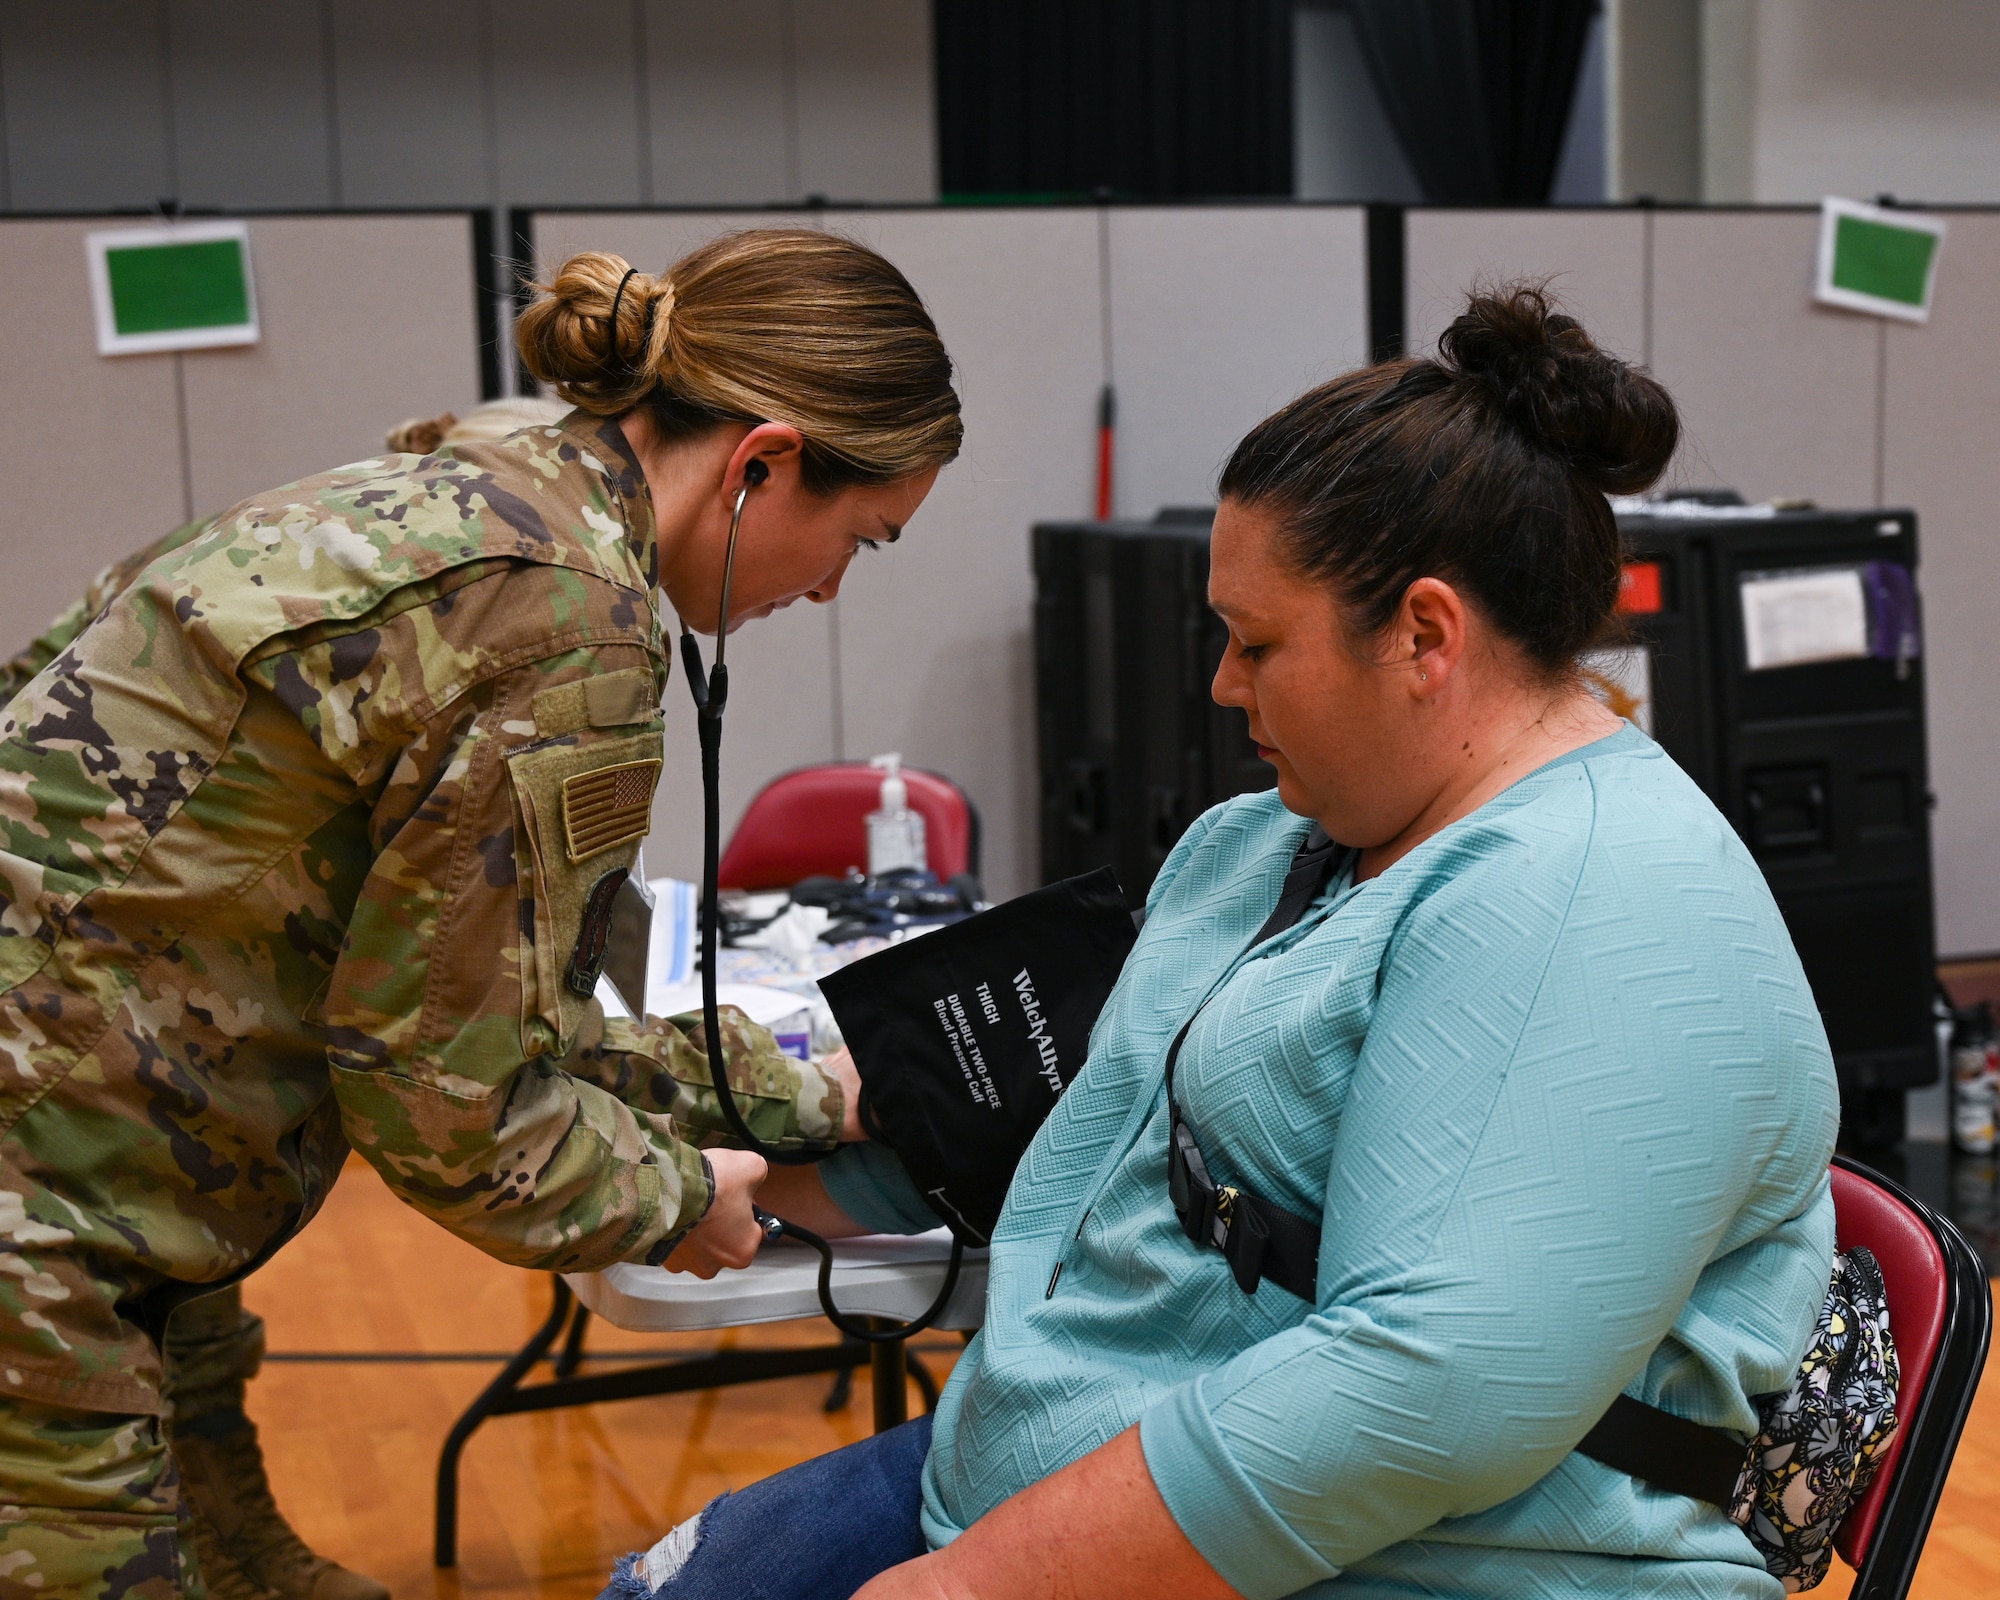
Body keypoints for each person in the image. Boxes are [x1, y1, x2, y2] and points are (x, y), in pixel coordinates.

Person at [611, 286, 1840, 1600]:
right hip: (1024, 1476)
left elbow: (1423, 1396)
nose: (1222, 684)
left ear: (1424, 634)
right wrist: (711, 1171)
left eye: (1258, 643)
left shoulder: (1605, 902)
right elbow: (1099, 1132)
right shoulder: (1272, 841)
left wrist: (976, 1584)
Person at [0, 229, 960, 1598]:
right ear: (763, 461)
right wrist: (676, 1196)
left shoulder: (478, 486)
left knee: (262, 1577)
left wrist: (807, 1088)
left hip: (122, 1193)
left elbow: (479, 1018)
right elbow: (446, 1105)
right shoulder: (566, 618)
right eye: (855, 540)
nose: (826, 589)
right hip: (51, 1215)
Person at [0, 398, 568, 1600]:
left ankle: (239, 1549)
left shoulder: (280, 559)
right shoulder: (293, 587)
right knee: (74, 1458)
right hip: (56, 1086)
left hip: (126, 1075)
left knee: (188, 1306)